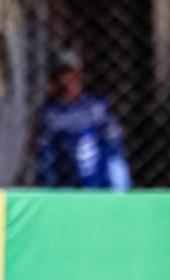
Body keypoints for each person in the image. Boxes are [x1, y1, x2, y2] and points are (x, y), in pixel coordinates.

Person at [35, 51, 130, 189]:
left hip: (95, 171)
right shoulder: (50, 113)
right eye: (65, 73)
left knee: (116, 164)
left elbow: (113, 141)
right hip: (64, 170)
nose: (71, 78)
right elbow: (42, 148)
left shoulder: (95, 107)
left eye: (75, 73)